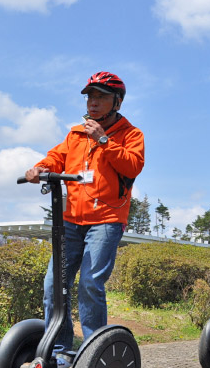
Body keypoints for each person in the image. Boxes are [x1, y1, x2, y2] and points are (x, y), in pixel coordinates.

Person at [24, 72, 144, 350]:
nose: (93, 101)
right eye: (90, 96)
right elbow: (56, 158)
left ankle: (92, 352)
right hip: (71, 220)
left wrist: (104, 141)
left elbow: (133, 166)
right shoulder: (76, 134)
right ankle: (61, 350)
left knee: (90, 285)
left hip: (106, 220)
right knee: (53, 286)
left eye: (101, 96)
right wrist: (41, 169)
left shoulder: (131, 134)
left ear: (117, 102)